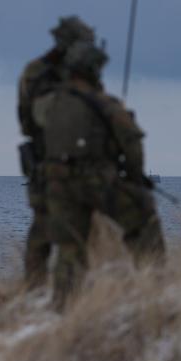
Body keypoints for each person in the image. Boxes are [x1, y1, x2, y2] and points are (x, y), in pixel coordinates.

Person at [23, 16, 165, 310]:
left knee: (69, 246)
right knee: (142, 219)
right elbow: (132, 141)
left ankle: (62, 305)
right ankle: (157, 285)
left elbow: (33, 125)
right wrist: (135, 177)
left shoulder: (47, 101)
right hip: (97, 178)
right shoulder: (105, 103)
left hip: (57, 179)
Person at [18, 17, 95, 288]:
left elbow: (25, 122)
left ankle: (34, 290)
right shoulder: (79, 73)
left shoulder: (33, 72)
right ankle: (69, 292)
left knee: (41, 234)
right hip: (73, 165)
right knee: (74, 233)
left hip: (44, 165)